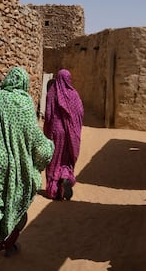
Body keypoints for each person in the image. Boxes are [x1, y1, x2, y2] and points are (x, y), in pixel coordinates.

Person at [0, 67, 54, 270]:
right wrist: (48, 150)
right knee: (15, 202)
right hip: (13, 164)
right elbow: (35, 138)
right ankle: (8, 244)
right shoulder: (24, 101)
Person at [43, 69, 84, 201]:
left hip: (56, 132)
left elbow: (48, 114)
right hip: (69, 134)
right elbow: (80, 113)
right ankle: (65, 177)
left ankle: (54, 190)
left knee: (55, 160)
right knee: (66, 160)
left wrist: (47, 130)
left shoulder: (52, 93)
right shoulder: (74, 94)